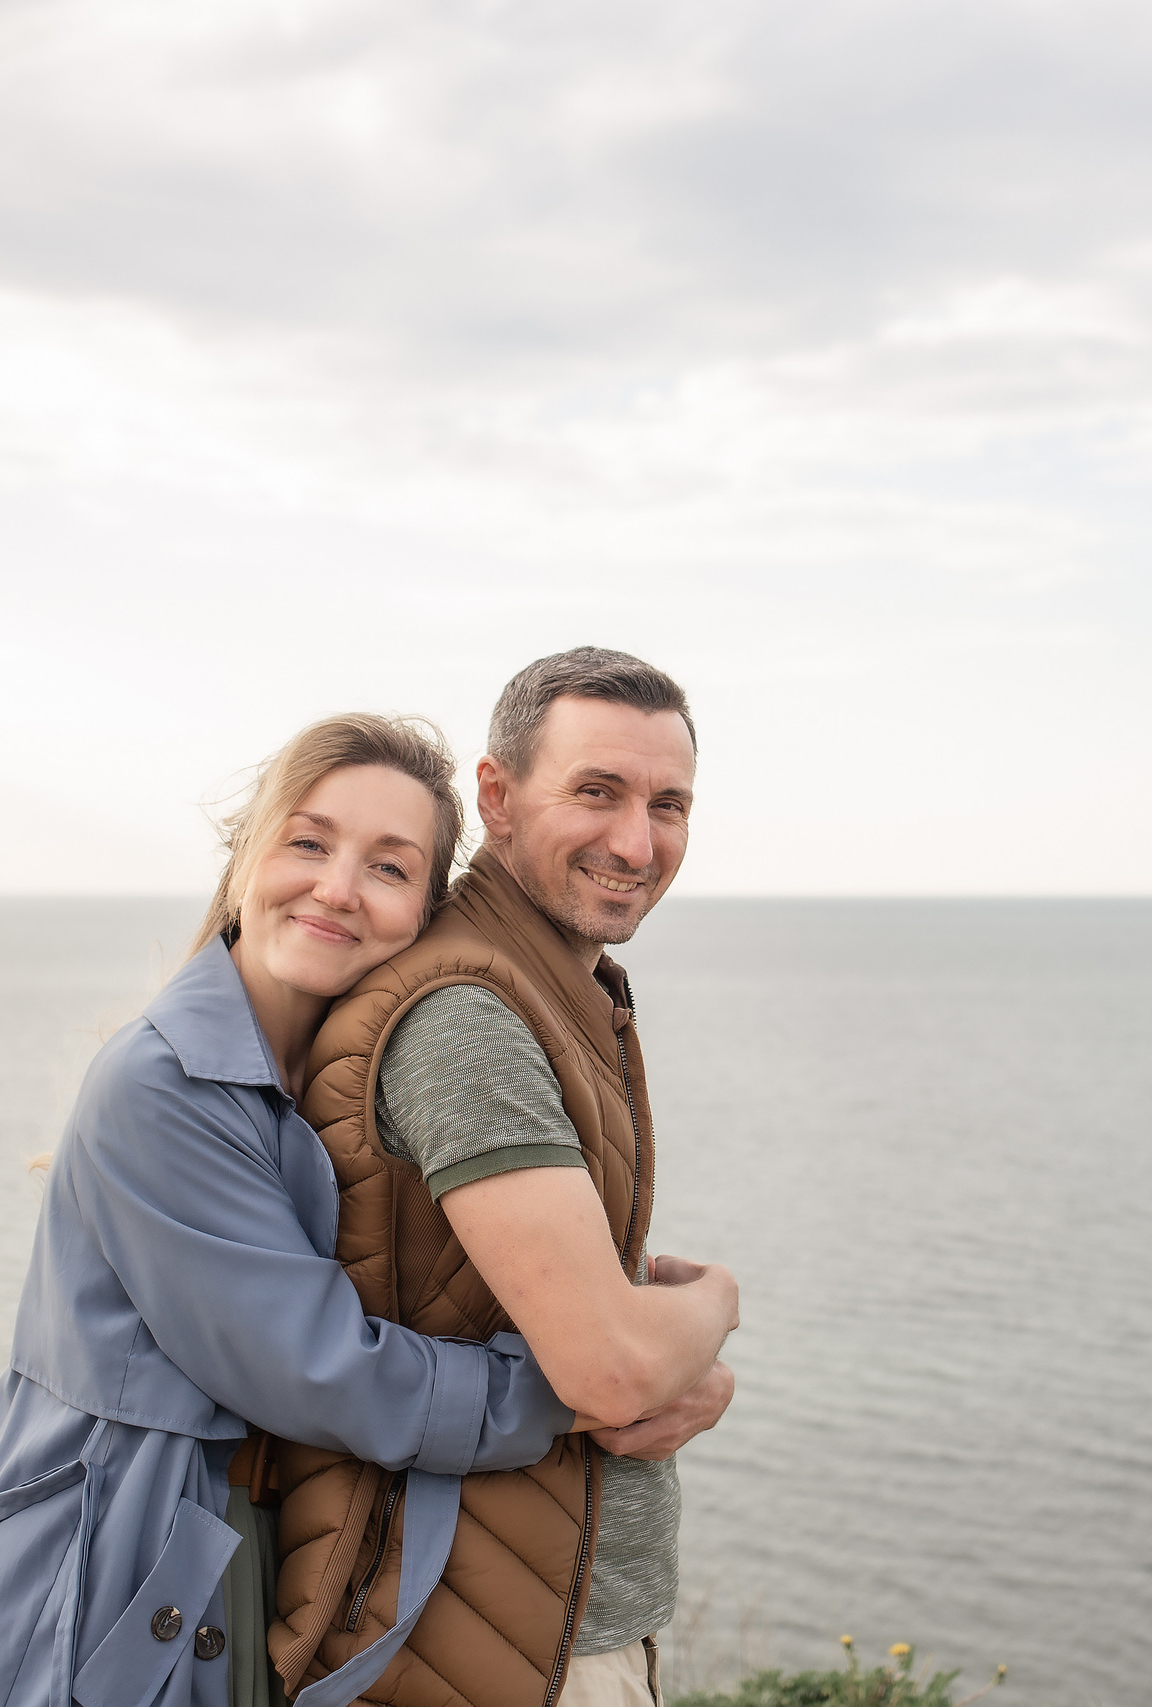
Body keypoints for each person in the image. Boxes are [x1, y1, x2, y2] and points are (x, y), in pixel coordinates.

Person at [0, 714, 620, 1707]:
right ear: (243, 863)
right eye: (307, 843)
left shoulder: (339, 1086)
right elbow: (328, 1373)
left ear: (421, 916)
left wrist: (615, 1300)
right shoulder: (158, 1087)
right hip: (100, 1577)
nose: (337, 888)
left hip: (216, 1551)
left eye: (389, 869)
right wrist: (581, 1386)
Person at [265, 648, 738, 1707]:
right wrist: (715, 1310)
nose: (637, 840)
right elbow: (607, 1373)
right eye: (596, 793)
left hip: (530, 1624)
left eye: (669, 805)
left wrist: (688, 1378)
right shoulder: (467, 1019)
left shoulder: (550, 988)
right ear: (497, 796)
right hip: (492, 1652)